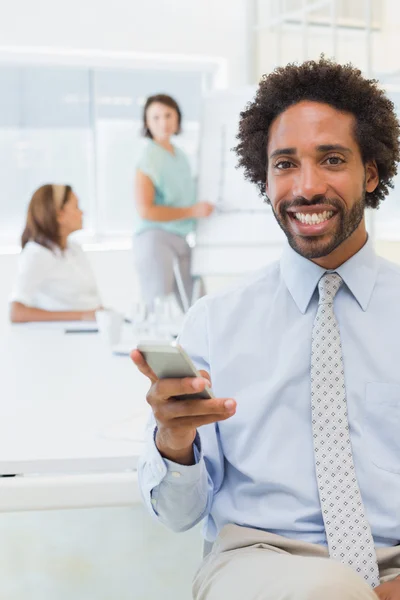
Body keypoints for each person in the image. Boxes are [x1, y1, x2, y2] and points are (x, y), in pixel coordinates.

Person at [132, 57, 400, 600]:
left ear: (370, 172)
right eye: (285, 164)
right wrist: (175, 440)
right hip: (261, 560)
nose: (306, 187)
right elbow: (179, 516)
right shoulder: (216, 321)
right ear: (265, 175)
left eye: (331, 159)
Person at [134, 93, 214, 311]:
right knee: (159, 307)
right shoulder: (148, 158)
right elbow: (146, 211)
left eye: (168, 115)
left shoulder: (180, 156)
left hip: (180, 238)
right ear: (147, 123)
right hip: (155, 238)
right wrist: (192, 211)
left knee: (199, 304)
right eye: (156, 117)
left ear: (177, 118)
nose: (164, 122)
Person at [10, 184, 101, 322]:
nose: (82, 212)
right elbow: (17, 313)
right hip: (60, 337)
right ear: (59, 215)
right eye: (76, 207)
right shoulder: (37, 254)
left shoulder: (74, 249)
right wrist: (83, 316)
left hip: (89, 331)